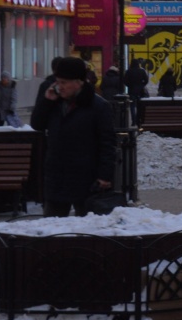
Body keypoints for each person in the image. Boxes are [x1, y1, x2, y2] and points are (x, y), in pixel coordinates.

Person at [30, 56, 117, 216]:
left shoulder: (98, 106)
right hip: (57, 176)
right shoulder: (54, 102)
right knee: (52, 228)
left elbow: (107, 143)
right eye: (57, 82)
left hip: (86, 178)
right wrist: (46, 102)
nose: (59, 87)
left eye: (64, 82)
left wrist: (104, 175)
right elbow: (37, 124)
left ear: (78, 82)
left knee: (87, 230)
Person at [124, 59, 149, 125]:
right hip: (140, 91)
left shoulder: (129, 71)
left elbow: (125, 81)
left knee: (132, 106)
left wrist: (130, 85)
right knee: (139, 106)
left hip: (132, 91)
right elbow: (146, 80)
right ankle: (139, 120)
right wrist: (141, 85)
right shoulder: (142, 71)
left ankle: (134, 121)